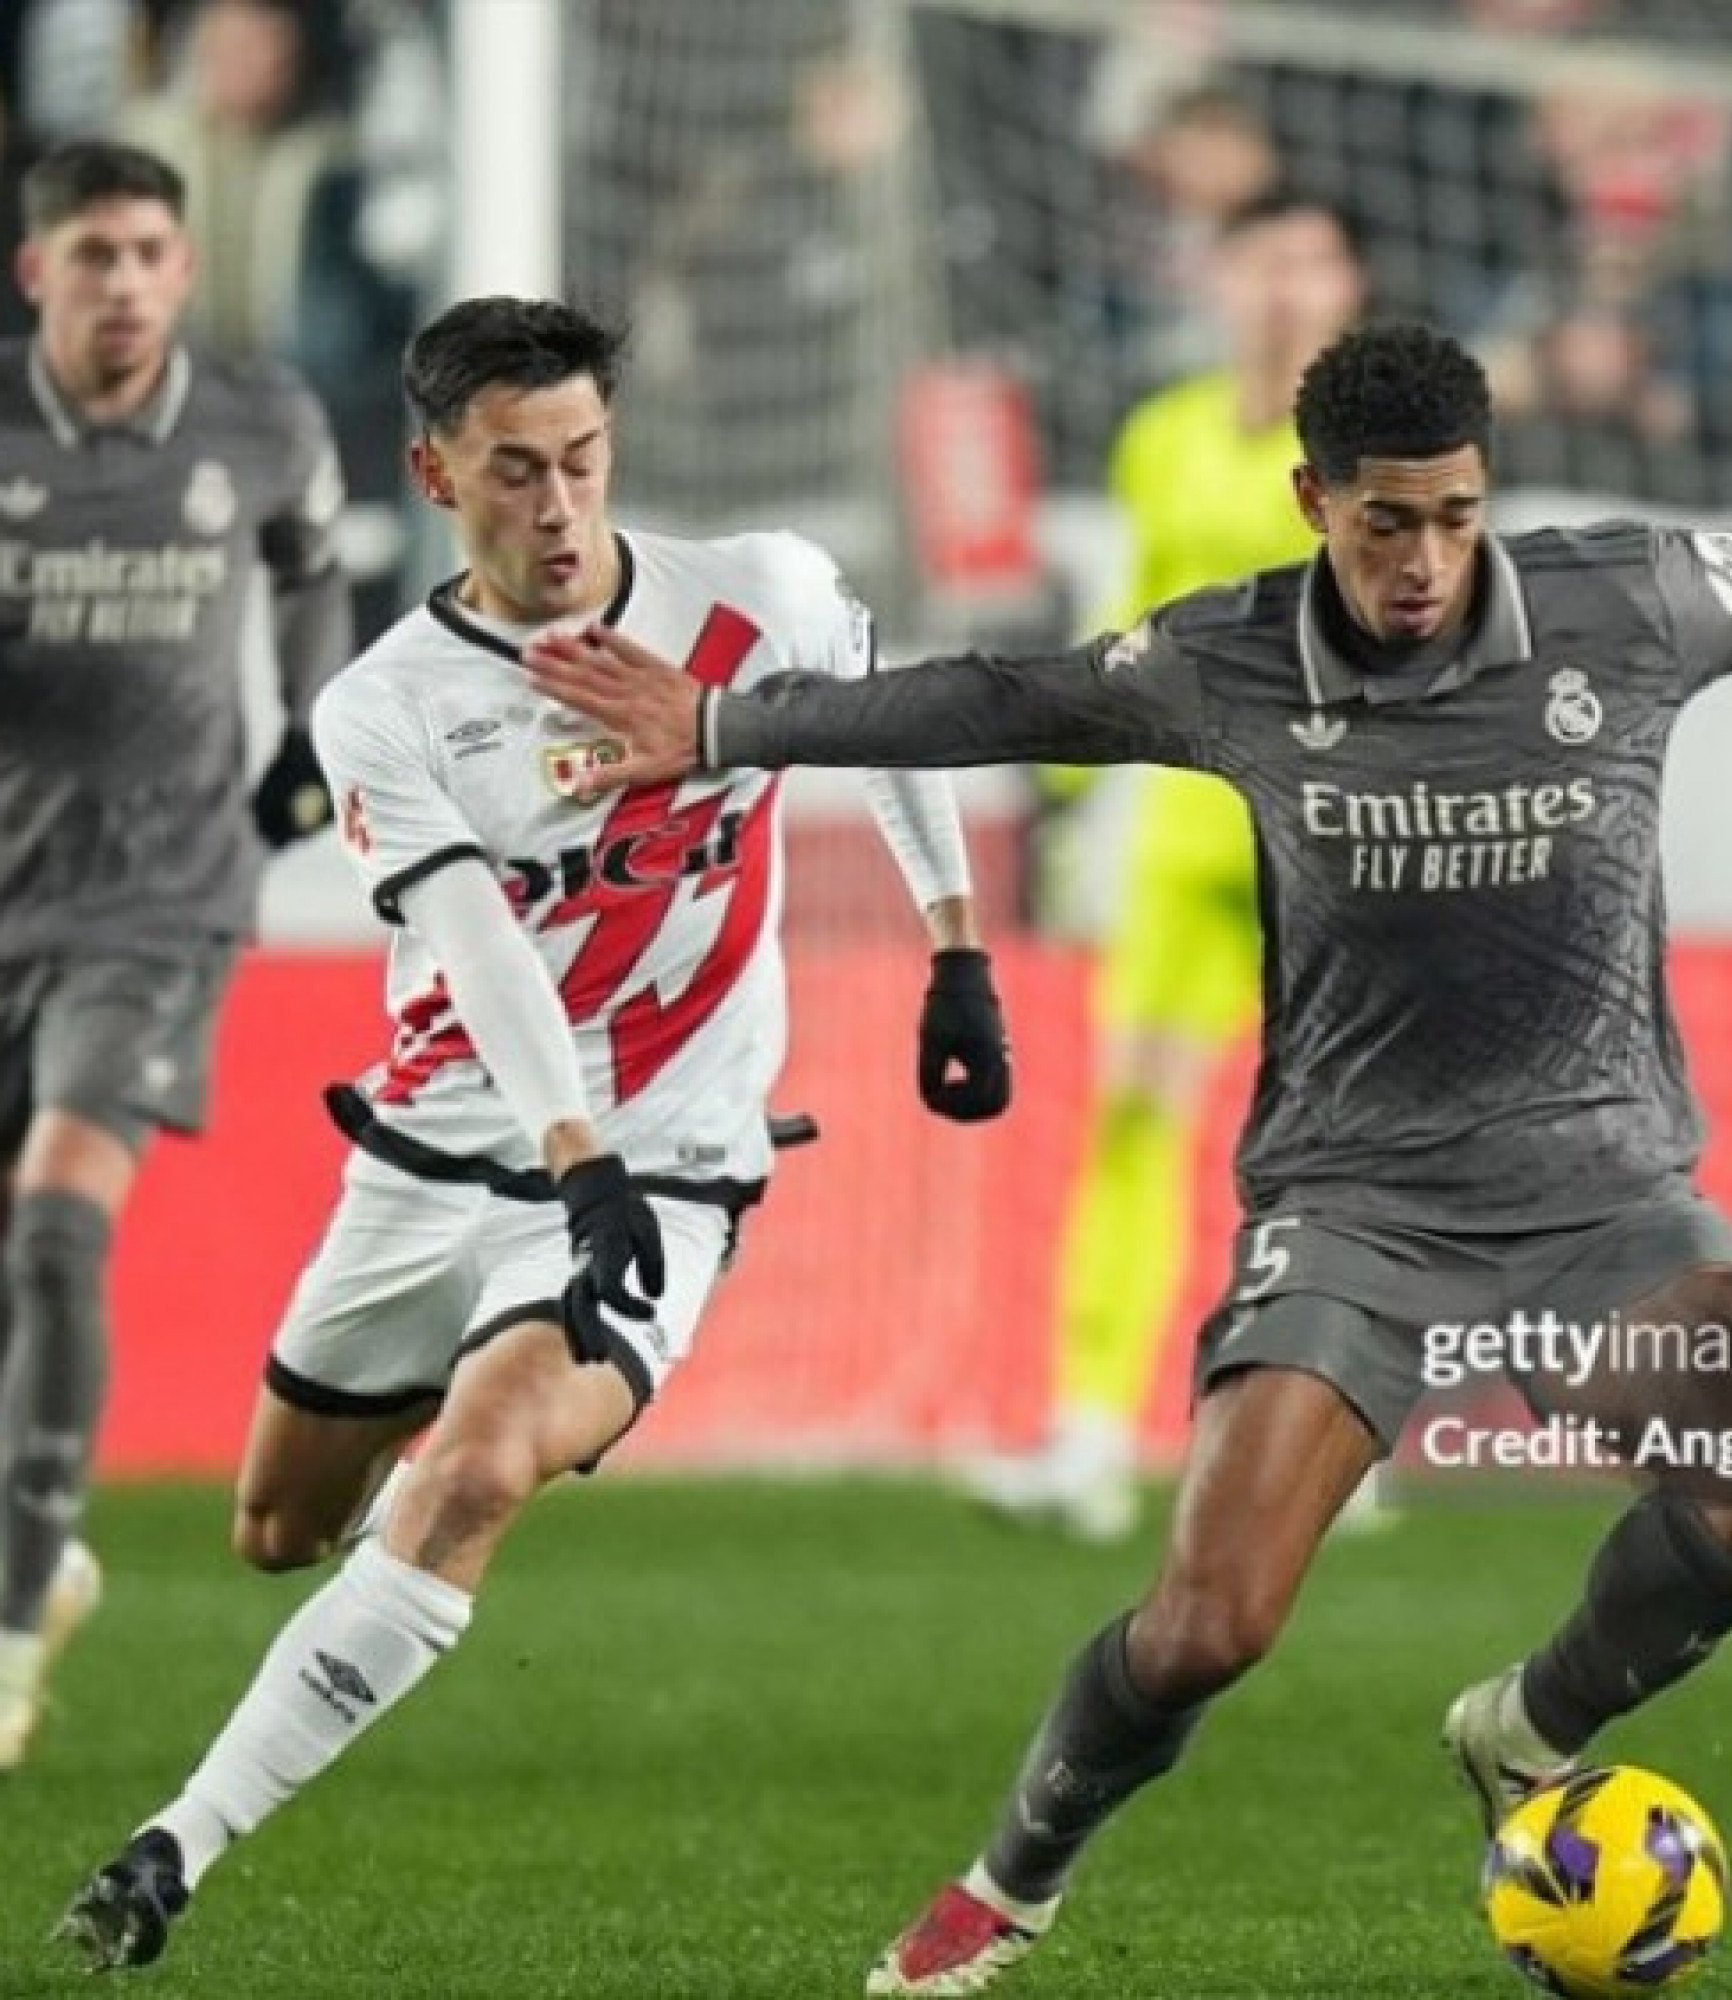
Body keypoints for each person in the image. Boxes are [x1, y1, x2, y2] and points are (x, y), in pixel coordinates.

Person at [515, 318, 1732, 1996]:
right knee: (1207, 1625)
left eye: (1453, 515)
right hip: (1353, 1206)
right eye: (1385, 521)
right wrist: (722, 727)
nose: (1425, 560)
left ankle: (1526, 1731)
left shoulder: (1636, 599)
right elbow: (1001, 697)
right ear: (1313, 500)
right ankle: (1009, 1883)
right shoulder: (1224, 660)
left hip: (1604, 1193)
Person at [55, 293, 1012, 1972]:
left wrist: (956, 947)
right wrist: (562, 1145)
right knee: (278, 1532)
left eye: (583, 461)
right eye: (516, 472)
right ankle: (436, 1461)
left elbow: (885, 713)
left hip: (669, 1165)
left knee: (475, 1473)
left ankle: (171, 1849)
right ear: (434, 471)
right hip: (440, 1153)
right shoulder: (390, 706)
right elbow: (487, 952)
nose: (561, 508)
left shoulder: (758, 598)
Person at [0, 138, 351, 1771]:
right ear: (37, 277)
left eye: (149, 252)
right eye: (94, 256)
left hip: (161, 900)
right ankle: (46, 1554)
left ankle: (6, 1627)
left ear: (184, 270)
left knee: (63, 1218)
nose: (125, 282)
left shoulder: (260, 421)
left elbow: (308, 577)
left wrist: (308, 733)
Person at [974, 186, 1381, 1542]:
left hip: (1340, 849)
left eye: (1310, 260)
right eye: (1261, 258)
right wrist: (1072, 796)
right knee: (1136, 1118)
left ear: (1347, 287)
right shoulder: (1167, 439)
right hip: (1191, 842)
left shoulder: (1386, 452)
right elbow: (1128, 624)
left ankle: (1344, 1424)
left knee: (1338, 1148)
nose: (1284, 286)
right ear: (1220, 279)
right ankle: (1090, 1430)